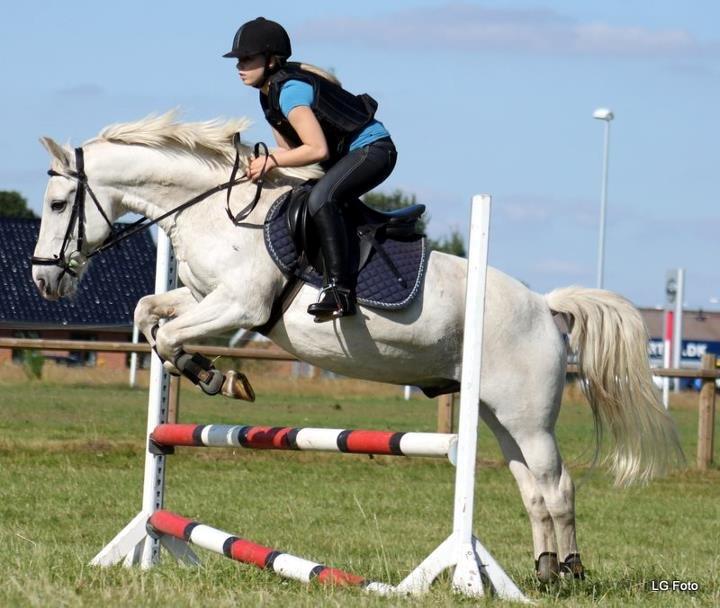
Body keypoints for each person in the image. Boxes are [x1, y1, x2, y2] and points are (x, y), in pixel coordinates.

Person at [223, 17, 397, 322]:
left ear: (271, 59)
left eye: (247, 58)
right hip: (350, 155)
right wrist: (252, 160)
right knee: (302, 195)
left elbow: (317, 150)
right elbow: (292, 153)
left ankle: (340, 292)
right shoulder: (268, 96)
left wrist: (272, 161)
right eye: (238, 59)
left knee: (322, 199)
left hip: (374, 151)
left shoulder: (289, 91)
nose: (240, 66)